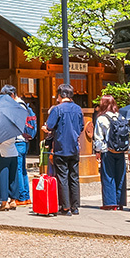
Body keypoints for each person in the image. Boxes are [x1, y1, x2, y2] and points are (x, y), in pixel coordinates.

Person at [43, 85, 85, 216]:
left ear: (60, 95)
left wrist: (45, 128)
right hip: (74, 147)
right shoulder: (78, 109)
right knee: (74, 177)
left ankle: (65, 206)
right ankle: (75, 206)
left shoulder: (58, 109)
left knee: (62, 177)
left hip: (61, 147)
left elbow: (49, 126)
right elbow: (82, 127)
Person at [94, 96, 130, 210]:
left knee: (108, 176)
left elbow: (98, 137)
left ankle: (110, 203)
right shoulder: (121, 117)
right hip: (120, 151)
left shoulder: (102, 119)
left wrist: (98, 151)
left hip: (108, 150)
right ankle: (120, 202)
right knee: (120, 176)